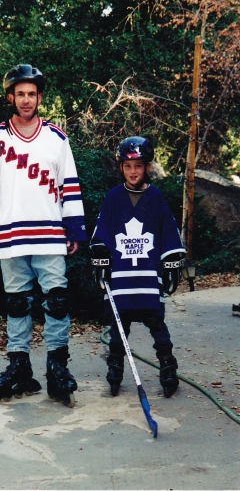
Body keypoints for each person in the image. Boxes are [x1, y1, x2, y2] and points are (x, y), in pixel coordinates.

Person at [0, 64, 87, 407]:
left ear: (39, 97)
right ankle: (19, 366)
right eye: (20, 94)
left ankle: (57, 367)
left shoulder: (56, 138)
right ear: (10, 97)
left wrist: (75, 227)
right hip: (9, 234)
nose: (26, 100)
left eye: (31, 94)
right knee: (17, 303)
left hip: (50, 233)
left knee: (57, 300)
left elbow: (70, 186)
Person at [90, 136, 186, 398]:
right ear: (121, 167)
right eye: (128, 166)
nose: (134, 172)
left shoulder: (155, 197)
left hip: (147, 275)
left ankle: (167, 367)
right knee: (119, 327)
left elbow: (168, 228)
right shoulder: (113, 197)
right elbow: (103, 231)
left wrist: (171, 262)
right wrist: (101, 257)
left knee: (157, 325)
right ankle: (116, 367)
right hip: (121, 277)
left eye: (139, 166)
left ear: (147, 167)